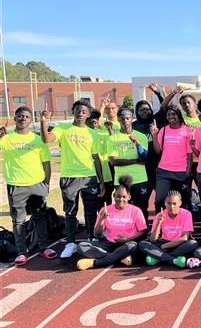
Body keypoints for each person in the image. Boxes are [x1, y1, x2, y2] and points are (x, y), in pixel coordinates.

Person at [41, 100, 105, 258]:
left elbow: (96, 158)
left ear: (88, 114)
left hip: (89, 177)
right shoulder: (63, 129)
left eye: (84, 111)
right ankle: (70, 243)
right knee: (70, 212)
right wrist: (43, 120)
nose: (80, 113)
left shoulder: (93, 133)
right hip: (69, 176)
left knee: (91, 211)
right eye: (77, 110)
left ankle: (91, 238)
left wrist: (101, 181)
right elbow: (46, 139)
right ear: (73, 111)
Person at [0, 107, 56, 265]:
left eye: (26, 116)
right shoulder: (6, 138)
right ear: (15, 118)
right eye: (19, 116)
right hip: (16, 184)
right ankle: (21, 251)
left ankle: (43, 247)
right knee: (18, 220)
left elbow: (46, 163)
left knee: (40, 216)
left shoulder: (37, 139)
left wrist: (46, 183)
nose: (23, 119)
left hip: (37, 183)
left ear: (31, 120)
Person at [76, 176, 147, 270]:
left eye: (124, 197)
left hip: (126, 244)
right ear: (114, 196)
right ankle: (118, 258)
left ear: (129, 197)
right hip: (107, 244)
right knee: (81, 246)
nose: (120, 199)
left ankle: (95, 263)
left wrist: (127, 239)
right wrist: (101, 219)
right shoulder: (105, 210)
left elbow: (143, 231)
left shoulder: (136, 211)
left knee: (132, 247)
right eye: (118, 196)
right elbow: (96, 234)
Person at [107, 108, 150, 222]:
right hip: (121, 180)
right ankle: (126, 232)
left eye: (128, 118)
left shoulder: (141, 136)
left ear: (132, 119)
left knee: (141, 208)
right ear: (118, 120)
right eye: (122, 118)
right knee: (123, 209)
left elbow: (144, 159)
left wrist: (137, 144)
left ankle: (142, 234)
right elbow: (114, 162)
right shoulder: (112, 138)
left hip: (140, 179)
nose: (125, 121)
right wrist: (135, 161)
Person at [139, 190, 198, 268]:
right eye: (169, 203)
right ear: (165, 203)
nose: (171, 206)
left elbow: (184, 238)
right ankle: (174, 260)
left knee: (192, 244)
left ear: (180, 203)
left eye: (174, 204)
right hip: (163, 242)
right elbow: (153, 239)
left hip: (178, 244)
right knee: (142, 244)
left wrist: (164, 246)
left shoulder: (186, 214)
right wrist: (159, 223)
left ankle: (158, 258)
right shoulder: (159, 215)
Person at [151, 105, 193, 211]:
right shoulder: (163, 130)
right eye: (168, 114)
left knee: (182, 201)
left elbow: (189, 155)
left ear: (179, 115)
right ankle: (159, 223)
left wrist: (187, 173)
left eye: (173, 114)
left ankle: (182, 225)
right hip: (164, 171)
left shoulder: (187, 131)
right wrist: (154, 135)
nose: (171, 116)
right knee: (159, 200)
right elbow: (157, 151)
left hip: (181, 172)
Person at [133, 83, 167, 198]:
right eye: (141, 110)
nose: (144, 111)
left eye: (147, 109)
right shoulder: (133, 125)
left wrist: (157, 92)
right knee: (142, 198)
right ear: (137, 112)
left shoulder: (157, 119)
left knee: (161, 198)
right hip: (141, 166)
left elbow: (164, 106)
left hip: (158, 164)